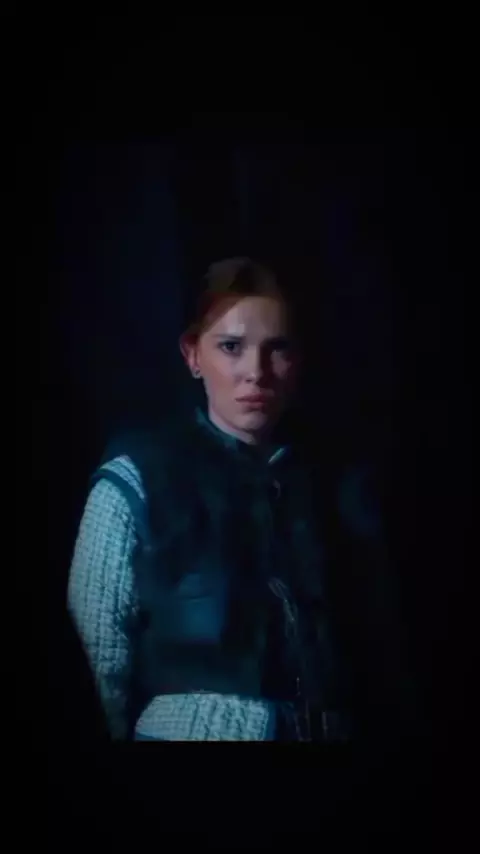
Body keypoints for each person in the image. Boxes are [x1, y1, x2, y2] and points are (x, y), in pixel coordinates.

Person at [67, 257, 416, 742]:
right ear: (193, 354)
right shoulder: (138, 476)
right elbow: (97, 663)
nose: (256, 372)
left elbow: (386, 656)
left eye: (278, 349)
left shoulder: (339, 486)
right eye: (231, 347)